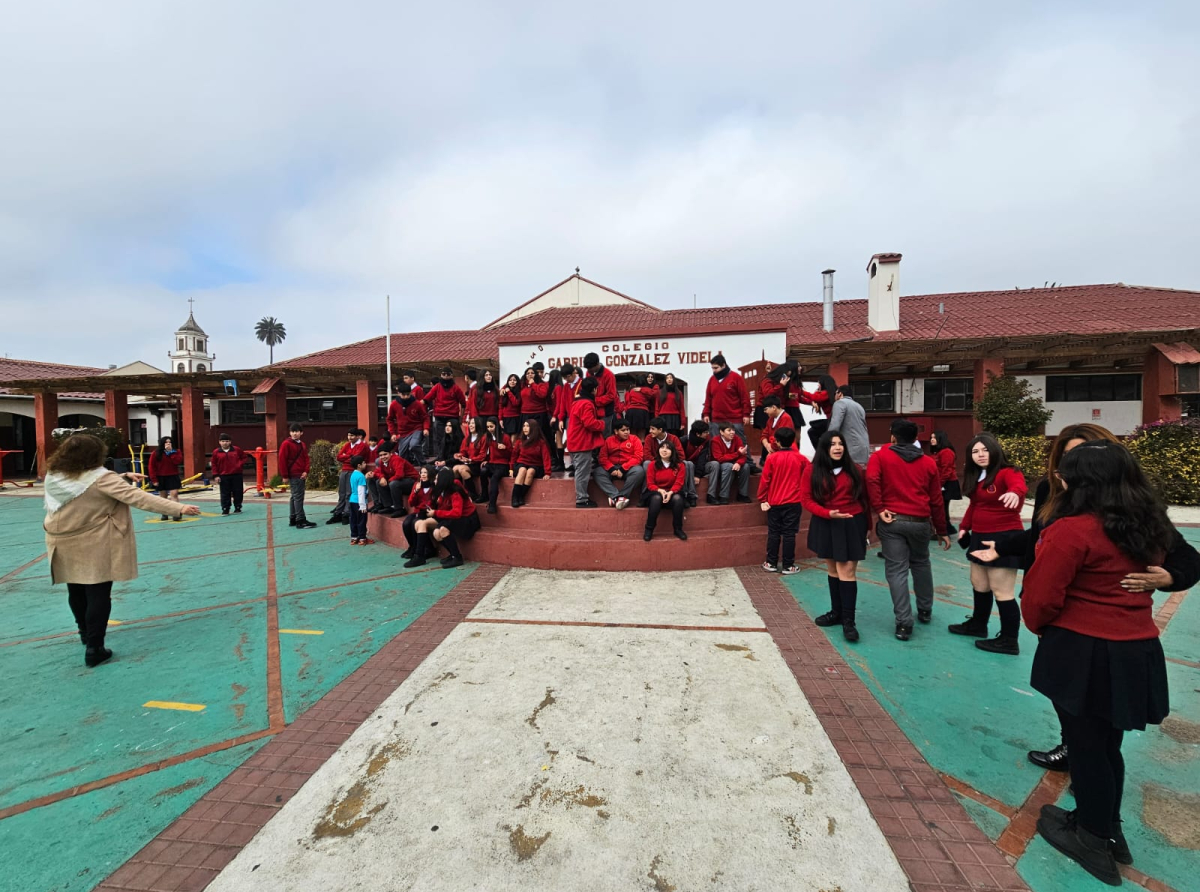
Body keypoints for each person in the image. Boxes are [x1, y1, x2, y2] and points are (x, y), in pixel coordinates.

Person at [972, 423, 1200, 774]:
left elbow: (1183, 556)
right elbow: (1040, 533)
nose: (1068, 470)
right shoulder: (1054, 491)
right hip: (1063, 617)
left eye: (1078, 458)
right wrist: (1001, 547)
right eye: (1064, 459)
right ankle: (1077, 758)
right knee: (1078, 714)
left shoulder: (1132, 508)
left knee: (1097, 732)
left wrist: (1170, 576)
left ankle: (1090, 802)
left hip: (1099, 630)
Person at [1022, 441, 1173, 885]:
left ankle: (1091, 836)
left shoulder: (1074, 530)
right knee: (1107, 746)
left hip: (1084, 650)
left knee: (1086, 747)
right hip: (1135, 648)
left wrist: (1042, 627)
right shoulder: (1146, 526)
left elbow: (1041, 597)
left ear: (1077, 482)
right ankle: (1108, 829)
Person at [43, 434, 201, 666]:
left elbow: (85, 483)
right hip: (93, 540)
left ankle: (85, 635)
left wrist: (123, 476)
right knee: (98, 591)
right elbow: (138, 497)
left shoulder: (54, 475)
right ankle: (95, 648)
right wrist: (179, 507)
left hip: (61, 540)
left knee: (75, 588)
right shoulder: (101, 478)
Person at [866, 419, 951, 641]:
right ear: (915, 438)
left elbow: (872, 481)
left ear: (893, 436)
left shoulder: (880, 457)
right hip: (920, 521)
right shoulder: (928, 463)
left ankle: (904, 624)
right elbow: (936, 500)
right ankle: (925, 609)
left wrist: (880, 508)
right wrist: (941, 529)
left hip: (893, 520)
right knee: (921, 563)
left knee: (897, 570)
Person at [948, 434, 1027, 655]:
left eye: (985, 450)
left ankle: (1009, 640)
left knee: (1002, 590)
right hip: (979, 537)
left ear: (994, 450)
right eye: (975, 451)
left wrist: (1015, 493)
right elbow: (975, 505)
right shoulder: (978, 477)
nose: (980, 455)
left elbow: (1018, 486)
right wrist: (964, 526)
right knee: (979, 583)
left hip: (1005, 538)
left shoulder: (1007, 472)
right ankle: (978, 625)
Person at [801, 430, 871, 641]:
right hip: (826, 522)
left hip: (851, 522)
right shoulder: (812, 471)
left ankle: (849, 622)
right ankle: (837, 612)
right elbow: (805, 499)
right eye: (833, 444)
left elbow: (864, 499)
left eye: (841, 443)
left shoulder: (856, 470)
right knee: (832, 568)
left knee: (847, 570)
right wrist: (827, 513)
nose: (838, 447)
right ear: (824, 448)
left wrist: (867, 525)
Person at [405, 467, 481, 569]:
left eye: (437, 479)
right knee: (425, 526)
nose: (435, 481)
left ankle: (457, 557)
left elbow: (457, 513)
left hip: (467, 519)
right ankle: (419, 556)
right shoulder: (440, 491)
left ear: (443, 481)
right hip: (450, 516)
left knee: (442, 530)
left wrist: (436, 512)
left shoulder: (455, 492)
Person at [757, 426, 808, 575]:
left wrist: (762, 498)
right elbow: (809, 477)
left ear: (777, 442)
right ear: (793, 441)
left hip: (774, 502)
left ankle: (771, 562)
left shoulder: (771, 458)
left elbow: (765, 480)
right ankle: (788, 565)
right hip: (794, 502)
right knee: (789, 534)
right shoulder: (801, 459)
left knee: (773, 532)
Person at [567, 376, 605, 508]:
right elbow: (589, 423)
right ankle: (582, 499)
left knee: (580, 470)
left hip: (574, 442)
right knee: (582, 472)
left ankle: (582, 498)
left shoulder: (577, 402)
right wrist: (602, 424)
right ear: (594, 390)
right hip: (581, 443)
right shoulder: (587, 404)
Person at [643, 417, 698, 506]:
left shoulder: (673, 438)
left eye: (652, 429)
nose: (650, 431)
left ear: (660, 430)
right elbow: (646, 455)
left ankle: (690, 495)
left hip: (672, 464)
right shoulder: (649, 438)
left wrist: (669, 460)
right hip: (657, 465)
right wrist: (661, 460)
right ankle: (646, 492)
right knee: (646, 463)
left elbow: (681, 456)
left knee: (688, 464)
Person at [642, 439, 688, 541]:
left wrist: (670, 492)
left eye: (668, 448)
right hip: (655, 492)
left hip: (673, 491)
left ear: (673, 452)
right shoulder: (652, 464)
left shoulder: (680, 465)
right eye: (662, 448)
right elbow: (650, 484)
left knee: (677, 499)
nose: (664, 450)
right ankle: (649, 529)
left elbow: (679, 483)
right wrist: (660, 490)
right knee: (656, 498)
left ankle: (678, 529)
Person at [596, 418, 645, 509]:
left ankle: (620, 496)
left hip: (628, 468)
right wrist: (611, 468)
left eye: (628, 429)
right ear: (616, 431)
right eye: (623, 430)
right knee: (598, 472)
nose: (626, 432)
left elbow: (638, 457)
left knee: (639, 471)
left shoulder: (635, 439)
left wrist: (623, 468)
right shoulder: (608, 440)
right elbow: (602, 457)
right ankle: (617, 496)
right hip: (612, 468)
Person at [702, 353, 750, 443]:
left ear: (723, 365)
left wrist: (746, 414)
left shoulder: (736, 378)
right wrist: (706, 414)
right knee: (716, 444)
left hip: (734, 418)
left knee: (740, 443)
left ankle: (746, 458)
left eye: (716, 368)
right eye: (712, 368)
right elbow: (708, 399)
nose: (714, 370)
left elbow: (744, 397)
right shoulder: (712, 380)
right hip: (716, 419)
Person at [278, 423, 317, 529]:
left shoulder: (302, 444)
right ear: (290, 433)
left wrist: (306, 471)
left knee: (294, 497)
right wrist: (284, 475)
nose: (294, 434)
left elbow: (306, 458)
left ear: (301, 433)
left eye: (297, 431)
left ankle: (293, 518)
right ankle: (300, 520)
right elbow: (282, 460)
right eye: (292, 431)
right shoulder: (286, 444)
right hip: (293, 474)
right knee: (298, 497)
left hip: (301, 473)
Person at [425, 368, 467, 460]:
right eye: (444, 374)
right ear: (441, 375)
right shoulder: (437, 387)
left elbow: (463, 403)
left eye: (448, 374)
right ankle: (441, 457)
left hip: (452, 417)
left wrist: (461, 417)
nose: (446, 376)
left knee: (455, 438)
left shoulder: (456, 388)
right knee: (439, 439)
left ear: (452, 375)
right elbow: (427, 398)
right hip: (439, 417)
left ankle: (454, 455)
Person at [509, 419, 552, 508]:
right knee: (522, 470)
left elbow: (546, 457)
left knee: (530, 472)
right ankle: (514, 498)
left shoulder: (541, 442)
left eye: (527, 426)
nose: (525, 428)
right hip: (521, 463)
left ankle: (521, 496)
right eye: (524, 426)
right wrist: (511, 468)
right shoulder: (520, 441)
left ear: (533, 428)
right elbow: (514, 455)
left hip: (536, 465)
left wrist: (547, 472)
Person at [367, 443, 418, 517]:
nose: (383, 457)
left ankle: (399, 509)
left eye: (385, 454)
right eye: (381, 455)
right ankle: (388, 506)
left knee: (393, 484)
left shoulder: (397, 459)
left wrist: (386, 481)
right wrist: (382, 477)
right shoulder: (382, 462)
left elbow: (400, 474)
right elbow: (381, 472)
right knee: (378, 481)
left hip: (411, 481)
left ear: (391, 453)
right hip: (398, 481)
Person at [329, 429, 367, 525]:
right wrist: (349, 456)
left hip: (353, 471)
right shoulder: (347, 444)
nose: (350, 437)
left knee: (349, 493)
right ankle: (338, 513)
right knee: (341, 492)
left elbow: (355, 459)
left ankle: (346, 514)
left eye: (352, 435)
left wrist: (346, 456)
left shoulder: (362, 445)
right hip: (344, 470)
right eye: (349, 435)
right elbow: (338, 457)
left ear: (358, 436)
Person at [708, 421, 751, 504]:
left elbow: (743, 455)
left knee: (745, 467)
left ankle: (743, 494)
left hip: (734, 463)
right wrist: (737, 453)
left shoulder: (737, 438)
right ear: (721, 432)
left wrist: (738, 463)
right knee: (728, 466)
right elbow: (719, 458)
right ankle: (723, 496)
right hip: (720, 465)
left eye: (733, 430)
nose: (732, 432)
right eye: (729, 430)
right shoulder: (715, 440)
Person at [388, 383, 430, 468]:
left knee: (414, 445)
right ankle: (407, 469)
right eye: (403, 395)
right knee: (402, 454)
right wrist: (392, 433)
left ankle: (423, 463)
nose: (406, 397)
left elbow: (425, 417)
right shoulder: (394, 404)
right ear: (399, 393)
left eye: (408, 394)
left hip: (416, 429)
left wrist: (426, 428)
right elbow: (389, 419)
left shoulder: (417, 403)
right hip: (403, 432)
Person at [828, 385, 870, 468]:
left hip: (851, 447)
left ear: (839, 394)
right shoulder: (859, 406)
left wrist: (827, 440)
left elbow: (835, 425)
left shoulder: (840, 403)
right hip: (863, 446)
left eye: (835, 393)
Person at [400, 467, 435, 559]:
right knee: (406, 523)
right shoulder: (417, 484)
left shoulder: (434, 486)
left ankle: (426, 549)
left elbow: (433, 503)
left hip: (428, 512)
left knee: (414, 523)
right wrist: (415, 491)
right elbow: (411, 503)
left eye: (425, 472)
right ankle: (412, 547)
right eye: (421, 472)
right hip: (418, 511)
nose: (423, 475)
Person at [929, 430, 959, 535]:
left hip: (947, 483)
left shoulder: (946, 452)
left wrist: (939, 484)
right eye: (931, 437)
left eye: (934, 438)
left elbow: (947, 470)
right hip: (942, 482)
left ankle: (945, 529)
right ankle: (948, 528)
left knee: (942, 507)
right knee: (941, 507)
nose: (932, 440)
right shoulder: (937, 452)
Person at [148, 435, 184, 520]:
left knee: (174, 494)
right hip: (161, 477)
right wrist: (154, 479)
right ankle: (164, 512)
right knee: (163, 496)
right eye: (166, 442)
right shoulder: (156, 453)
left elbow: (178, 461)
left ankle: (176, 513)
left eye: (169, 442)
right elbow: (151, 467)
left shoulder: (177, 451)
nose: (168, 444)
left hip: (173, 476)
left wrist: (171, 453)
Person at [481, 418, 512, 514]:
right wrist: (485, 460)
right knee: (483, 471)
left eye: (491, 426)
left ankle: (492, 503)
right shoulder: (487, 437)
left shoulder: (505, 437)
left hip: (503, 464)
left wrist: (505, 448)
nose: (489, 429)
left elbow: (512, 454)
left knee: (494, 478)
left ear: (496, 426)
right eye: (488, 427)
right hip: (492, 463)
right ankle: (484, 494)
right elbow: (485, 452)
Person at [210, 433, 246, 515]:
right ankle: (225, 508)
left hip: (236, 474)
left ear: (230, 442)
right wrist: (216, 475)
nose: (225, 443)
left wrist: (239, 465)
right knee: (225, 493)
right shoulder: (216, 452)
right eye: (223, 441)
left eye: (227, 441)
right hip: (223, 475)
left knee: (238, 491)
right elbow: (214, 464)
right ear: (219, 442)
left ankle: (238, 507)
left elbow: (244, 457)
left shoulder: (236, 449)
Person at [583, 353, 618, 436]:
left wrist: (595, 401)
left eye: (590, 368)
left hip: (606, 413)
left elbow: (611, 395)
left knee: (605, 437)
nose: (588, 370)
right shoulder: (588, 373)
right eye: (587, 368)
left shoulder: (609, 375)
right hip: (592, 411)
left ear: (597, 364)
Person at [799, 374, 837, 451]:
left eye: (819, 383)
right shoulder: (828, 393)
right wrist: (792, 396)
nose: (818, 385)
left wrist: (800, 391)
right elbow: (804, 399)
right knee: (813, 430)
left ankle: (820, 452)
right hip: (830, 420)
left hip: (832, 421)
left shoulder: (827, 393)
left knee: (813, 430)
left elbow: (815, 397)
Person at [457, 417, 490, 502]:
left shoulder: (483, 438)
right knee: (455, 469)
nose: (470, 425)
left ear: (478, 425)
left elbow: (483, 455)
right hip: (469, 463)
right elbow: (463, 451)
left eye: (472, 423)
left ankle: (472, 493)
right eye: (470, 423)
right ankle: (460, 494)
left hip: (478, 464)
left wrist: (470, 460)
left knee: (462, 469)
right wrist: (460, 456)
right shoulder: (467, 438)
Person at [347, 454, 372, 545]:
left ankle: (354, 537)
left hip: (352, 500)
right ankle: (362, 538)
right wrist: (362, 505)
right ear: (359, 465)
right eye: (364, 463)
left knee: (353, 519)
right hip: (360, 501)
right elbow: (361, 491)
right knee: (362, 520)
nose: (365, 464)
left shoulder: (353, 474)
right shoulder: (361, 476)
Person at [623, 373, 658, 438]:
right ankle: (641, 447)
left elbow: (628, 401)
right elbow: (653, 395)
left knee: (632, 434)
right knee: (642, 435)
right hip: (642, 411)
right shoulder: (647, 390)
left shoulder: (632, 391)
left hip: (631, 411)